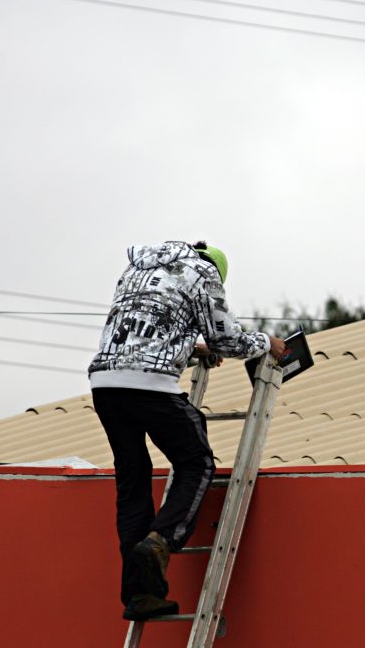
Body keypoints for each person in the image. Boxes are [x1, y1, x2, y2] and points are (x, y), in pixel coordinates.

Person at [88, 240, 285, 621]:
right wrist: (266, 343)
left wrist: (190, 346)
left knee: (133, 478)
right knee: (197, 462)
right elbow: (227, 339)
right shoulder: (204, 273)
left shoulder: (139, 269)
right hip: (150, 385)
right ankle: (161, 540)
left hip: (105, 384)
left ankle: (141, 596)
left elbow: (145, 329)